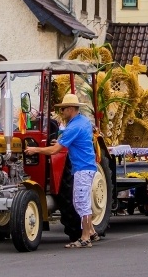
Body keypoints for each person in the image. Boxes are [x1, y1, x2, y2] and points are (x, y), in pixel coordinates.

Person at [24, 93, 98, 248]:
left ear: (71, 109)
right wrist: (60, 140)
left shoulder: (74, 126)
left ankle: (85, 238)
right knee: (81, 202)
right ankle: (91, 231)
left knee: (81, 203)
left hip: (82, 168)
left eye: (63, 109)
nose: (62, 112)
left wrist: (35, 149)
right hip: (86, 166)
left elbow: (54, 151)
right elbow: (70, 140)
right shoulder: (83, 122)